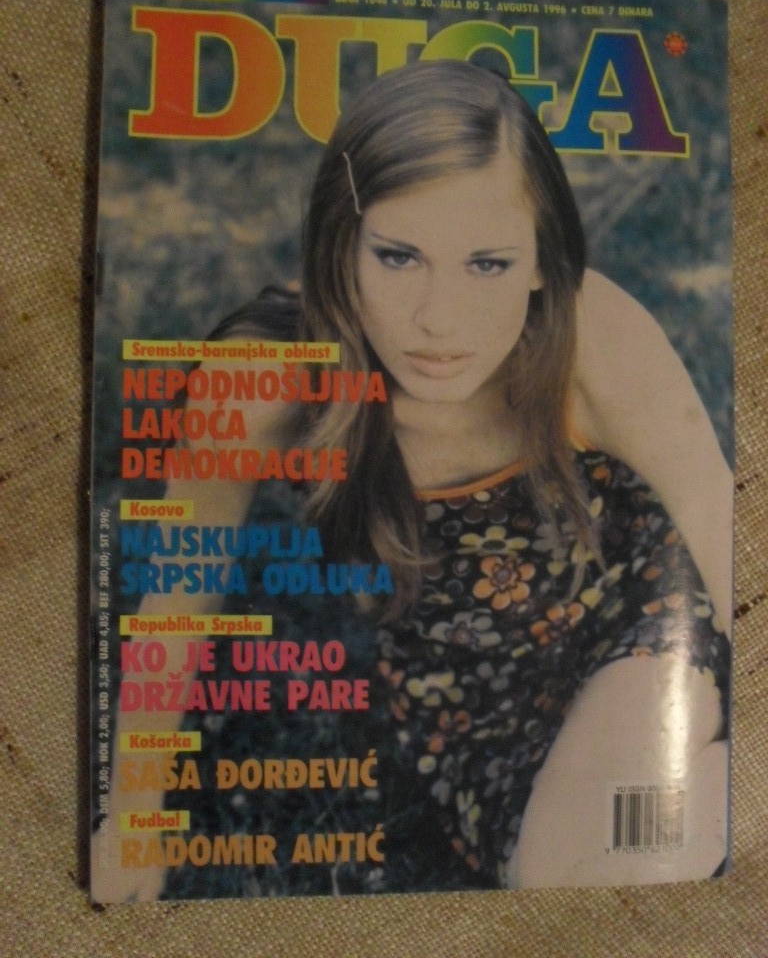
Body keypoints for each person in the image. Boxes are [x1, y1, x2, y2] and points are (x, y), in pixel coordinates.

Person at [94, 60, 731, 901]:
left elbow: (725, 526)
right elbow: (180, 593)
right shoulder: (264, 380)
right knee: (552, 876)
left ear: (543, 262)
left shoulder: (590, 339)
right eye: (399, 257)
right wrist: (131, 822)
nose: (438, 318)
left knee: (577, 874)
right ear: (341, 248)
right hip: (466, 710)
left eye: (487, 265)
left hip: (642, 628)